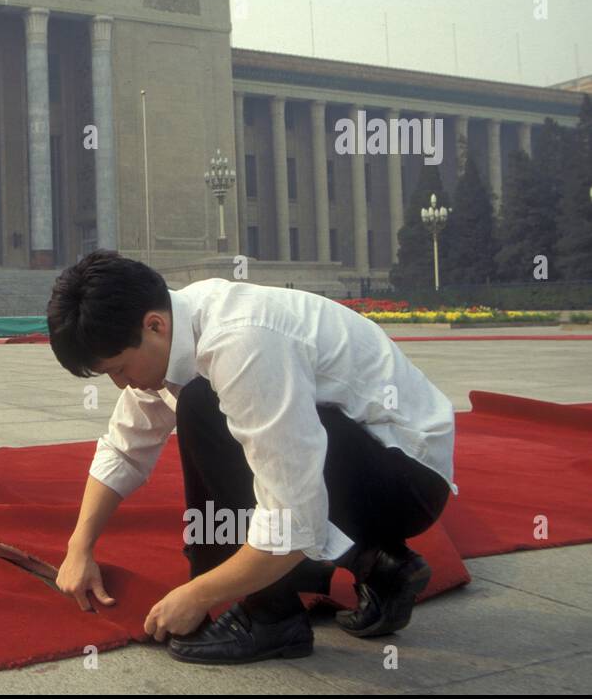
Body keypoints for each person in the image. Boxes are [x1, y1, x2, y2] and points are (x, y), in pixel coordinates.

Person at [46, 250, 455, 665]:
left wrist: (201, 593)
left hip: (408, 479)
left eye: (119, 369)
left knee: (202, 405)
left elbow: (294, 514)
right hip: (366, 464)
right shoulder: (179, 324)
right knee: (203, 401)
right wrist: (80, 548)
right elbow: (124, 448)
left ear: (154, 325)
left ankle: (271, 617)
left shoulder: (241, 340)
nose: (120, 385)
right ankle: (378, 565)